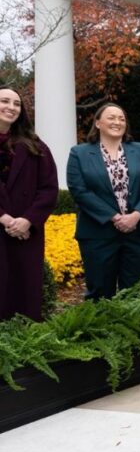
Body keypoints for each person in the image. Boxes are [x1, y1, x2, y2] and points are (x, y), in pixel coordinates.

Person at [67, 103, 140, 300]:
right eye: (111, 117)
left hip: (138, 232)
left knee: (135, 294)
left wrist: (135, 216)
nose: (117, 122)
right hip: (97, 234)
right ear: (98, 123)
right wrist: (115, 217)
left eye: (121, 119)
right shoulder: (79, 153)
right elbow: (79, 191)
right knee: (100, 294)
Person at [0, 86, 59, 321]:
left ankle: (24, 340)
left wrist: (27, 220)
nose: (11, 107)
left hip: (25, 233)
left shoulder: (36, 146)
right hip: (4, 223)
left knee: (24, 292)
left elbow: (49, 188)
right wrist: (4, 217)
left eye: (16, 104)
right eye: (5, 101)